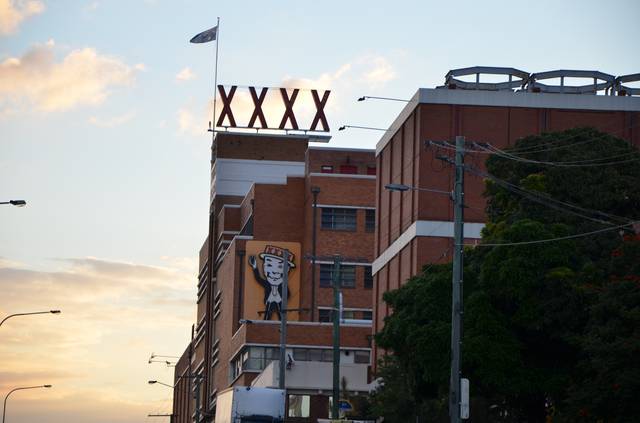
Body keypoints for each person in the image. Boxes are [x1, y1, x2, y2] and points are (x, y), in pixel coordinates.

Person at [248, 245, 295, 320]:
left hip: (279, 301)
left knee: (281, 317)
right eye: (269, 265)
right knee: (267, 316)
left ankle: (282, 325)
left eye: (280, 267)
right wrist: (255, 267)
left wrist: (281, 300)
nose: (274, 271)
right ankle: (266, 323)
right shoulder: (267, 284)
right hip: (270, 300)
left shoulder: (283, 285)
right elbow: (258, 279)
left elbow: (288, 294)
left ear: (287, 269)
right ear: (264, 266)